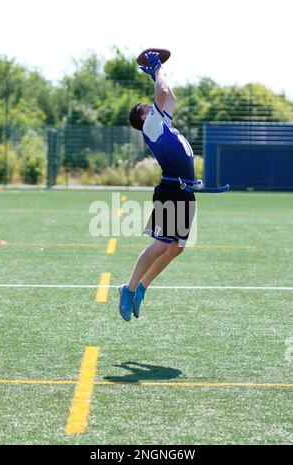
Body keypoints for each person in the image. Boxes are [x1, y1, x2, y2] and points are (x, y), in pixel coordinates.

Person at [119, 51, 196, 321]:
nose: (153, 107)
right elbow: (162, 92)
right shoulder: (152, 125)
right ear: (143, 117)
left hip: (184, 191)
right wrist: (156, 70)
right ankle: (128, 289)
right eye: (147, 108)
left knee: (176, 248)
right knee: (160, 245)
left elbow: (169, 97)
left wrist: (156, 72)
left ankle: (141, 288)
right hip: (172, 191)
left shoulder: (161, 122)